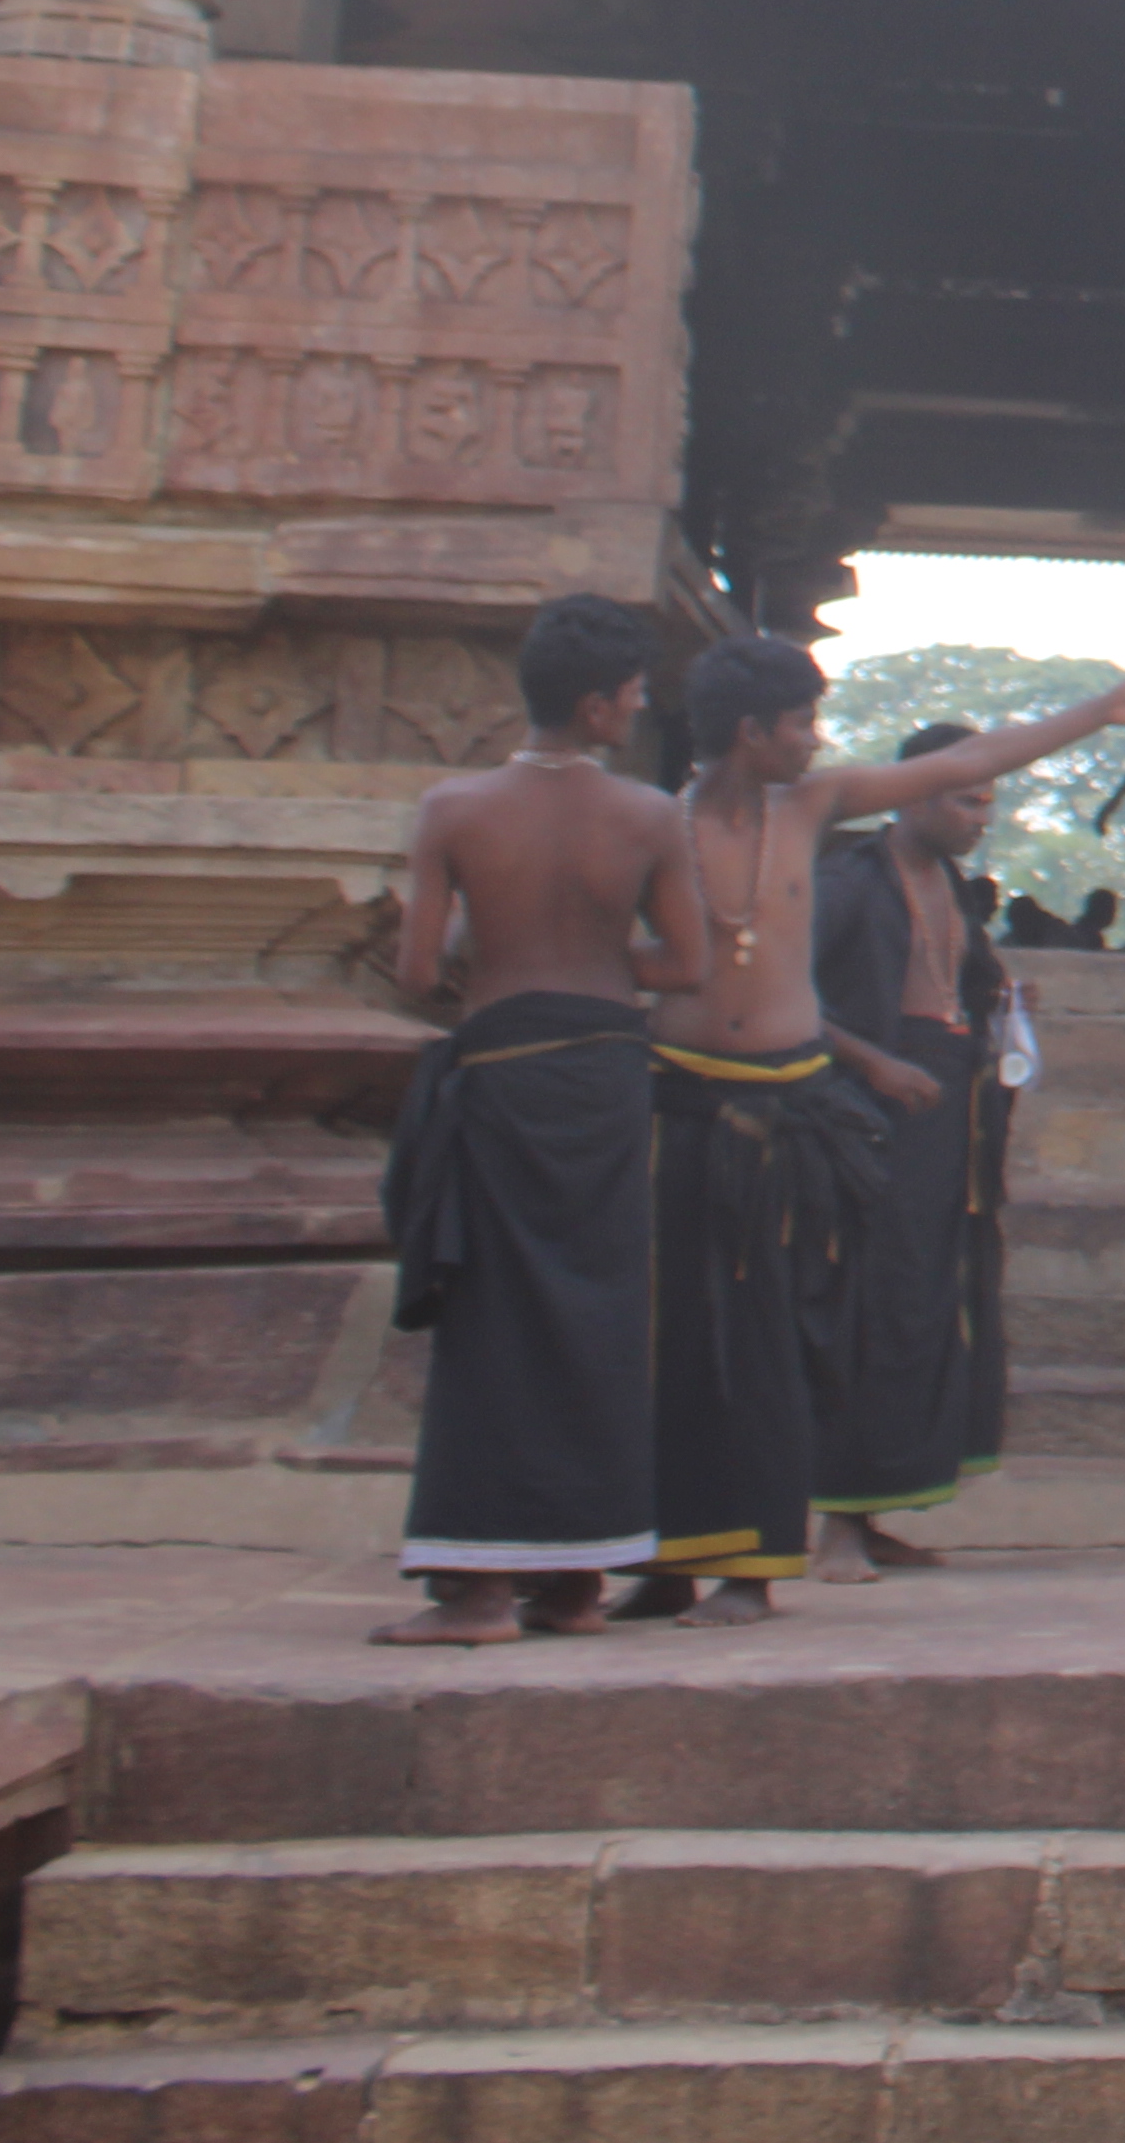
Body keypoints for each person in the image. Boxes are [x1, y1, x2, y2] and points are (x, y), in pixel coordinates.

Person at [639, 634, 1125, 1620]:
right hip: (679, 1098)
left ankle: (752, 1570)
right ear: (752, 731)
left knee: (773, 1335)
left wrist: (1099, 711)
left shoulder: (807, 807)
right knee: (674, 1336)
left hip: (792, 1107)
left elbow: (964, 761)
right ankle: (667, 1558)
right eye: (801, 722)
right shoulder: (650, 824)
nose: (815, 739)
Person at [372, 594, 704, 1646]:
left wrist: (499, 956)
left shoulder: (454, 808)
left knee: (493, 1319)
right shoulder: (651, 814)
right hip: (606, 1074)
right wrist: (600, 960)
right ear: (601, 705)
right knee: (601, 1313)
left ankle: (475, 1590)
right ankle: (572, 1582)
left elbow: (418, 970)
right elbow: (687, 964)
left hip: (503, 1067)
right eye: (636, 694)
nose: (639, 709)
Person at [810, 725, 1019, 1576]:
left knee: (927, 1302)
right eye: (968, 799)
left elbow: (961, 992)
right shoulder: (844, 882)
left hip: (945, 1120)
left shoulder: (958, 890)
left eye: (987, 802)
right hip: (866, 1120)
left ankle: (882, 1504)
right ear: (918, 792)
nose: (981, 818)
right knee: (865, 1301)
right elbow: (784, 999)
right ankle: (837, 1528)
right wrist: (875, 1063)